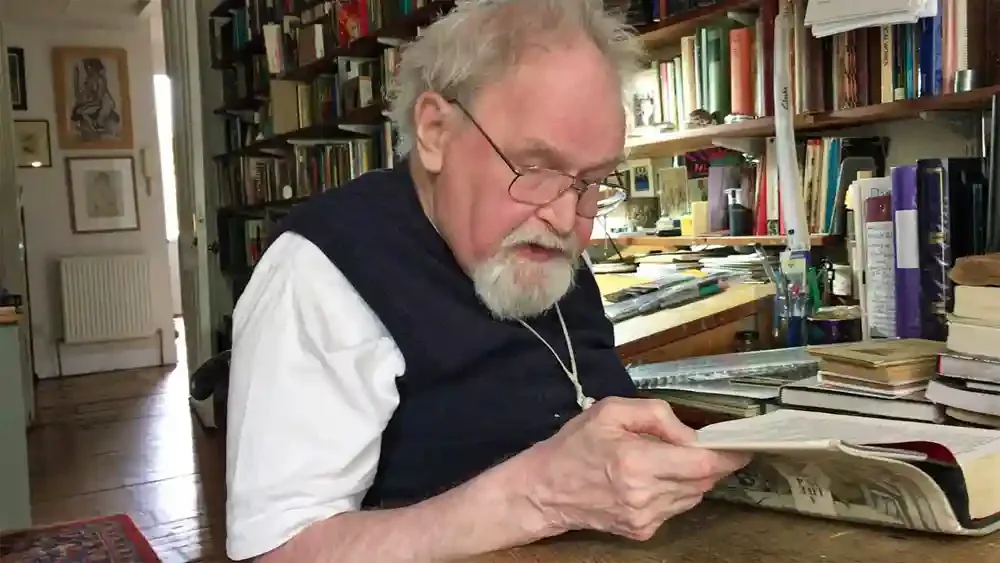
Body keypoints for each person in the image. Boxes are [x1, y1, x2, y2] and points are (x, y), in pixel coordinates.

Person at [224, 1, 751, 561]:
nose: (565, 218)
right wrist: (540, 495)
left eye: (592, 180)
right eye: (534, 168)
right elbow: (279, 552)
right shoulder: (321, 271)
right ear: (435, 131)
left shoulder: (543, 240)